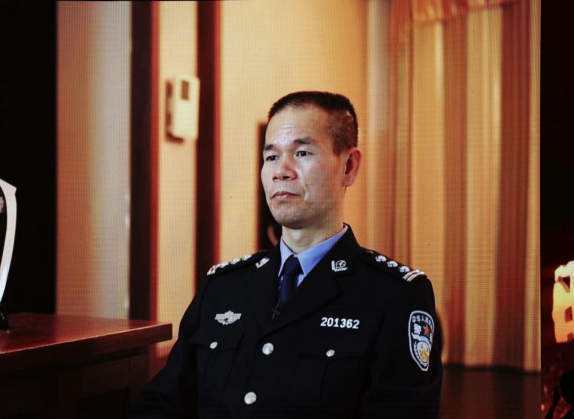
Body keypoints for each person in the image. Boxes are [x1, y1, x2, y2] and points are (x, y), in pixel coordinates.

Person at [128, 91, 442, 419]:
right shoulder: (222, 287)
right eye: (271, 156)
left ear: (349, 167)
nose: (281, 171)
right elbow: (165, 401)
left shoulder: (394, 295)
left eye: (302, 153)